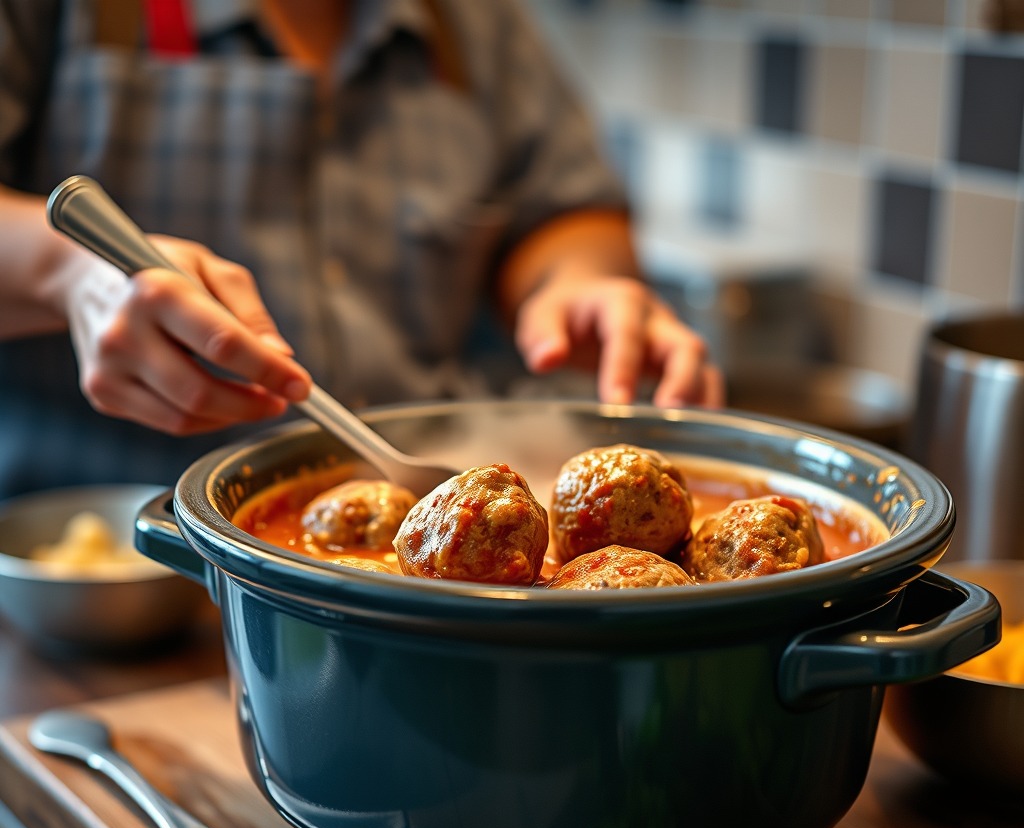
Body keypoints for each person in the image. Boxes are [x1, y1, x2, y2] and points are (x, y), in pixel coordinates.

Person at [0, 0, 722, 499]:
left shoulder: (470, 25)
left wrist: (574, 283)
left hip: (416, 564)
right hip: (94, 583)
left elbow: (564, 209)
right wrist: (70, 274)